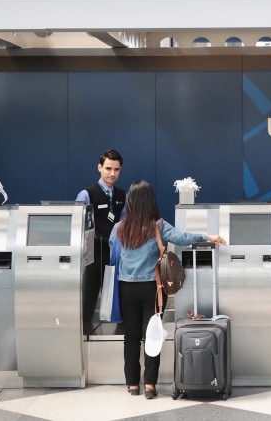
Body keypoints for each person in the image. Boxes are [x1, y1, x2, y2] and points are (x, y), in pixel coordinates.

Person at [110, 179, 226, 398]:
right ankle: (150, 385)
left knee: (131, 337)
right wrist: (207, 236)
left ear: (131, 202)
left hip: (126, 288)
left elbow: (112, 251)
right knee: (152, 335)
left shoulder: (119, 228)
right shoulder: (158, 226)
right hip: (153, 290)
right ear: (150, 202)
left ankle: (132, 384)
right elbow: (182, 238)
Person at [76, 149, 127, 335]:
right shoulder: (87, 194)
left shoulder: (122, 195)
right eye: (108, 168)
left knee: (119, 292)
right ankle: (85, 332)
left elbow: (124, 224)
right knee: (89, 294)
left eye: (116, 169)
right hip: (94, 252)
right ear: (100, 168)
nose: (112, 173)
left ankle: (120, 331)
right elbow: (80, 226)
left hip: (115, 252)